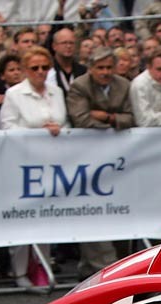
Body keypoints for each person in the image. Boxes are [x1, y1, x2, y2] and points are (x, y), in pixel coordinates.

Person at [0, 46, 68, 288]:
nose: (40, 72)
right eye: (34, 68)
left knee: (46, 213)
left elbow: (66, 121)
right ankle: (19, 271)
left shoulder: (56, 91)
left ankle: (41, 264)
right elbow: (7, 127)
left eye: (44, 67)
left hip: (51, 162)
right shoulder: (14, 94)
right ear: (26, 70)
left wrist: (61, 130)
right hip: (23, 164)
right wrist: (38, 133)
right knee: (23, 214)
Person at [66, 46, 133, 277]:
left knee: (118, 207)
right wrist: (113, 124)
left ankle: (95, 268)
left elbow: (131, 117)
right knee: (93, 208)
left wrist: (107, 117)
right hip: (86, 157)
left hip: (119, 158)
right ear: (90, 68)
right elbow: (82, 119)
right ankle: (99, 266)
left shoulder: (123, 85)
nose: (105, 72)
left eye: (108, 67)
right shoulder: (79, 86)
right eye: (100, 68)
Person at [47, 28, 87, 97]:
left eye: (71, 43)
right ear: (54, 46)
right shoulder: (47, 70)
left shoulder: (83, 71)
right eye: (64, 43)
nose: (68, 46)